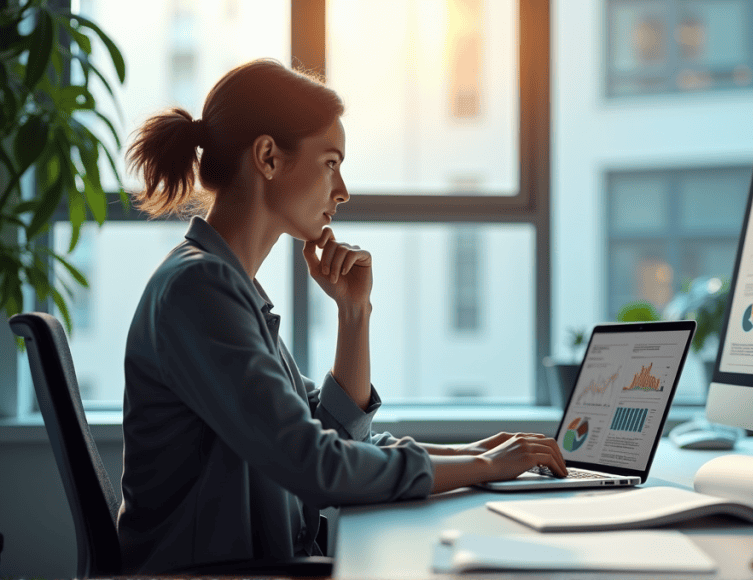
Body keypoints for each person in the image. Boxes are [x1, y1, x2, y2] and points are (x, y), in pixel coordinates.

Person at [117, 59, 567, 574]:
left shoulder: (227, 285)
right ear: (267, 156)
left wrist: (355, 313)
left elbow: (331, 432)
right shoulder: (199, 289)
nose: (343, 190)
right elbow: (319, 467)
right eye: (331, 162)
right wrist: (484, 466)